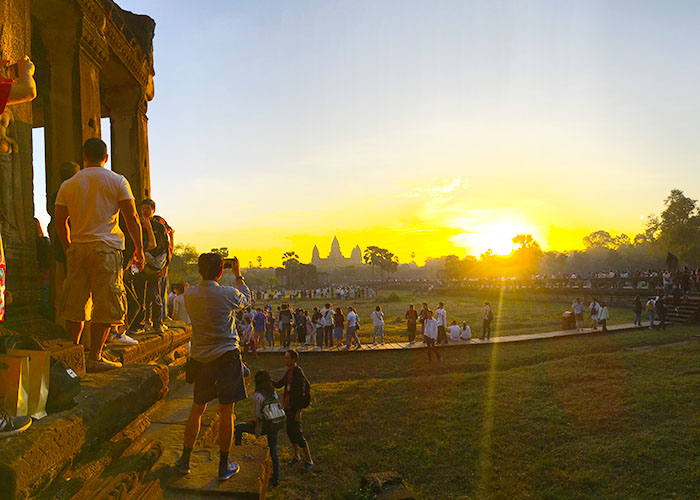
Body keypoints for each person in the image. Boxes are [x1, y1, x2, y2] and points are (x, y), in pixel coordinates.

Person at [55, 138, 145, 372]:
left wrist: (68, 248)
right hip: (106, 247)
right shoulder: (117, 180)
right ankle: (95, 357)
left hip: (78, 247)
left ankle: (72, 358)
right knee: (105, 304)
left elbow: (60, 221)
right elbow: (131, 217)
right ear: (106, 158)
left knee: (75, 304)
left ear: (84, 156)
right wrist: (139, 248)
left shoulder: (69, 184)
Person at [174, 254, 251, 481]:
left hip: (201, 359)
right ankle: (223, 465)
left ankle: (185, 459)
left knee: (197, 409)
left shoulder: (189, 294)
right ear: (220, 272)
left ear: (199, 270)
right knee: (227, 411)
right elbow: (246, 299)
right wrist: (238, 275)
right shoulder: (226, 294)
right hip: (226, 357)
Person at [233, 370, 282, 487]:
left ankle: (237, 454)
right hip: (274, 423)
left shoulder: (257, 396)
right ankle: (276, 478)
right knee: (273, 450)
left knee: (239, 428)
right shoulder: (273, 392)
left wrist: (252, 420)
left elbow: (258, 416)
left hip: (263, 426)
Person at [129, 199, 169, 336]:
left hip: (154, 265)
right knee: (138, 294)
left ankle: (157, 323)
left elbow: (164, 246)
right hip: (139, 264)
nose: (145, 211)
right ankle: (138, 323)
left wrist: (165, 265)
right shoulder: (137, 224)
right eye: (143, 208)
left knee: (155, 295)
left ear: (154, 210)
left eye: (148, 209)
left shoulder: (159, 227)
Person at [273, 350, 314, 473]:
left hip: (294, 409)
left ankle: (309, 460)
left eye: (287, 358)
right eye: (285, 358)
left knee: (298, 433)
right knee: (291, 432)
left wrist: (298, 411)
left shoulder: (298, 373)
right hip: (288, 407)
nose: (285, 360)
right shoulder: (289, 372)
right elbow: (280, 384)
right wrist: (268, 381)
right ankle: (297, 456)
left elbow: (301, 394)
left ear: (294, 359)